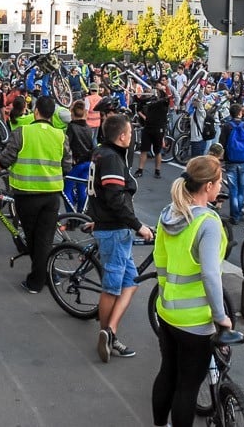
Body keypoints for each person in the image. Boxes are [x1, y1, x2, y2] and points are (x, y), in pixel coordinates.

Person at [151, 155, 235, 427]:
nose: (220, 186)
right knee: (187, 386)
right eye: (219, 182)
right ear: (209, 186)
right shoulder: (207, 223)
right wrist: (221, 316)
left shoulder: (170, 213)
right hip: (196, 320)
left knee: (168, 373)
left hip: (167, 310)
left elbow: (160, 260)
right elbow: (210, 273)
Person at [0, 96, 71, 294]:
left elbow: (5, 160)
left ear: (36, 111)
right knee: (45, 238)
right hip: (52, 194)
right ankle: (47, 274)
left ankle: (37, 280)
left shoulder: (23, 132)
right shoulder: (60, 135)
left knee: (33, 238)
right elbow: (67, 166)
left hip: (26, 194)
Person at [88, 113, 155, 362]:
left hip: (111, 227)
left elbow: (99, 193)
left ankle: (111, 330)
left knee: (131, 280)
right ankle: (106, 334)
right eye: (130, 133)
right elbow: (114, 198)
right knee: (112, 287)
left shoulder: (100, 153)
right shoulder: (113, 159)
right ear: (123, 135)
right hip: (115, 230)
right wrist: (138, 226)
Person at [218, 103, 244, 224]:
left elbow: (221, 143)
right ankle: (240, 211)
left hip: (231, 160)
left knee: (233, 188)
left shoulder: (227, 126)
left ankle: (235, 216)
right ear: (240, 113)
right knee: (242, 188)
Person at [134, 81, 171, 178]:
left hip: (159, 128)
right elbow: (139, 104)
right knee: (144, 150)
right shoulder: (149, 100)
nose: (155, 93)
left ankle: (157, 171)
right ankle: (140, 169)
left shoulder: (164, 101)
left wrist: (165, 87)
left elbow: (169, 96)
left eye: (157, 92)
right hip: (148, 127)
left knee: (157, 151)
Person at [64, 100, 95, 213]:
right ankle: (80, 213)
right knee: (82, 188)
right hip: (87, 161)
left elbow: (67, 146)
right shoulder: (87, 127)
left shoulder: (71, 127)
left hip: (76, 162)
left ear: (72, 112)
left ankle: (70, 215)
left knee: (67, 189)